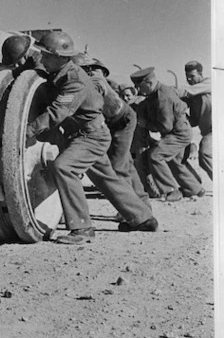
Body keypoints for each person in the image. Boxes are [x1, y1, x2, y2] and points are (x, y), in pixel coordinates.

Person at [26, 31, 157, 245]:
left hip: (91, 136)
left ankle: (82, 228)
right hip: (84, 134)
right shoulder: (60, 72)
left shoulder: (74, 80)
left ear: (61, 57)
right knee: (106, 178)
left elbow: (57, 113)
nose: (43, 59)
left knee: (63, 167)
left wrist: (27, 131)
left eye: (47, 56)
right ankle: (143, 218)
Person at [72, 54, 152, 219]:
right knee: (126, 164)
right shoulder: (95, 78)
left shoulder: (96, 81)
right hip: (117, 121)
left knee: (118, 167)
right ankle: (143, 205)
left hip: (122, 122)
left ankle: (130, 211)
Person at [131, 67, 205, 201]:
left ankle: (171, 190)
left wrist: (145, 124)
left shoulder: (162, 97)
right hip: (180, 130)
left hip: (178, 134)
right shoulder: (158, 92)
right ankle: (194, 188)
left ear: (149, 83)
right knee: (175, 161)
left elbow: (165, 126)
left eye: (138, 85)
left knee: (156, 155)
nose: (137, 89)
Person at [174, 60, 212, 181]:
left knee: (205, 153)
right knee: (203, 159)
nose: (189, 79)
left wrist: (167, 92)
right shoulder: (195, 96)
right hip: (208, 132)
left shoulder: (209, 83)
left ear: (201, 74)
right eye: (187, 76)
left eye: (192, 76)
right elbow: (195, 121)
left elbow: (187, 91)